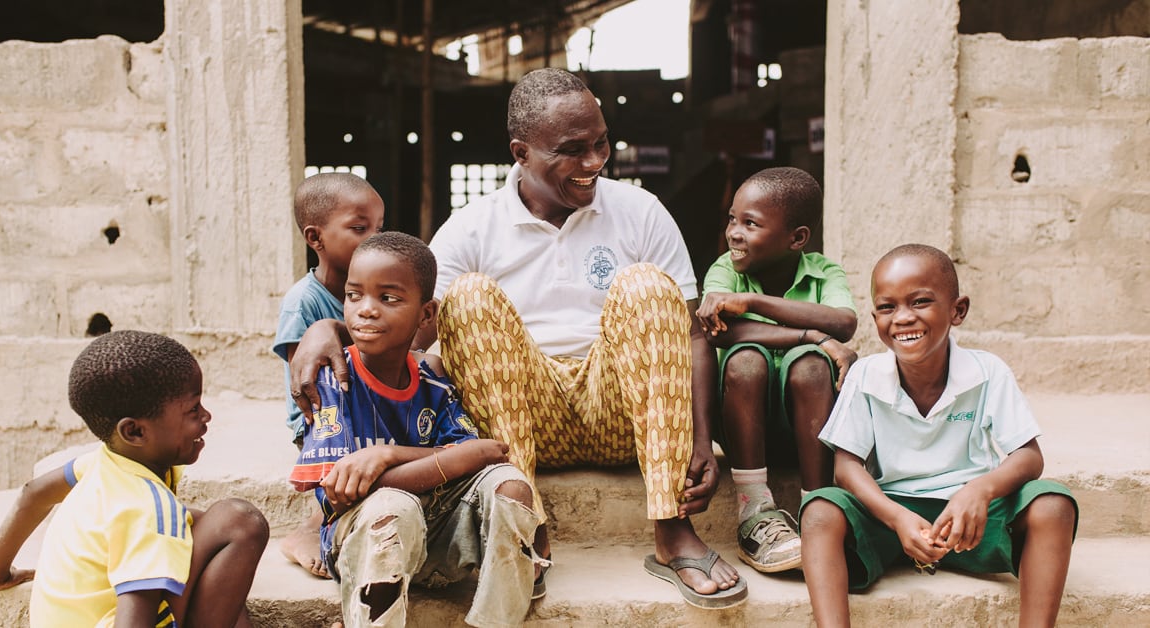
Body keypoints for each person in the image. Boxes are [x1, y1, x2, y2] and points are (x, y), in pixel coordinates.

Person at [292, 67, 745, 609]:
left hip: (622, 409)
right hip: (519, 425)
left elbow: (690, 335)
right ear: (522, 152)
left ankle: (673, 532)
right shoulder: (472, 227)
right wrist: (329, 327)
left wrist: (698, 439)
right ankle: (527, 532)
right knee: (470, 295)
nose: (595, 161)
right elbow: (411, 322)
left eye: (601, 143)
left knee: (649, 286)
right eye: (572, 150)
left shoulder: (640, 211)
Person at [799, 244, 1078, 627]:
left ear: (957, 310)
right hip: (889, 516)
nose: (903, 318)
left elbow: (1029, 457)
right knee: (819, 510)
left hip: (971, 520)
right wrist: (897, 518)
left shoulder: (988, 371)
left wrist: (979, 490)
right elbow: (847, 467)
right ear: (874, 316)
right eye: (887, 307)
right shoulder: (865, 376)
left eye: (920, 302)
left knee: (1053, 504)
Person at [290, 232, 542, 628]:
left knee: (510, 486)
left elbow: (478, 458)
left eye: (387, 298)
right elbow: (343, 493)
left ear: (426, 315)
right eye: (354, 295)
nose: (366, 310)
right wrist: (460, 457)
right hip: (369, 539)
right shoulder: (332, 380)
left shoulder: (432, 380)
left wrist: (387, 455)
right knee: (393, 506)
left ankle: (496, 621)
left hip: (439, 538)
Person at [0, 330, 269, 627]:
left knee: (195, 522)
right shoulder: (147, 510)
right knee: (240, 522)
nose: (206, 416)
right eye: (192, 410)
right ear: (135, 432)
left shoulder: (104, 462)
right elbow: (135, 612)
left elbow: (32, 494)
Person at [695, 167, 857, 573]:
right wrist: (809, 334)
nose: (734, 232)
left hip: (810, 431)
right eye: (733, 219)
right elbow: (720, 333)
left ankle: (819, 504)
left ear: (797, 238)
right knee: (747, 359)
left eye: (750, 223)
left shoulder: (824, 271)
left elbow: (843, 322)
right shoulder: (724, 270)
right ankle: (755, 510)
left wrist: (752, 302)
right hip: (742, 430)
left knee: (811, 369)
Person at [273, 172, 385, 578]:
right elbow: (304, 386)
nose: (373, 239)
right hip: (324, 419)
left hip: (370, 405)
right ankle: (311, 528)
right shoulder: (303, 302)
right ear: (315, 238)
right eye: (359, 228)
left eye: (379, 228)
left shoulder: (379, 290)